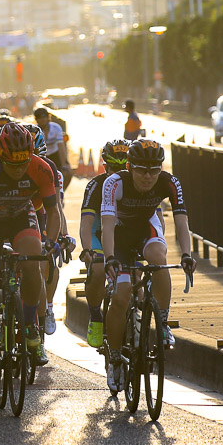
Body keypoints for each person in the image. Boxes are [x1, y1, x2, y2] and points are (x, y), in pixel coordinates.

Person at [0, 123, 60, 384]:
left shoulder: (40, 167)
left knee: (33, 261)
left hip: (20, 217)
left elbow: (53, 212)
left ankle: (30, 325)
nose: (17, 170)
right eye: (11, 164)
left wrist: (50, 241)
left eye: (22, 163)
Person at [99, 139, 195, 391]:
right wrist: (109, 257)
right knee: (121, 296)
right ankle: (116, 357)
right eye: (141, 170)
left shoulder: (169, 182)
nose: (147, 176)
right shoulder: (114, 182)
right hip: (118, 236)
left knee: (158, 258)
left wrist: (186, 254)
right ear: (129, 167)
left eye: (154, 170)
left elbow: (182, 222)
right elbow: (107, 225)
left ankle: (162, 324)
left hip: (144, 229)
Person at [79, 139, 130, 348]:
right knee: (98, 268)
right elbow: (86, 223)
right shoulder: (96, 185)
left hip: (126, 235)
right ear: (105, 166)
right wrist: (87, 250)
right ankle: (95, 316)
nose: (117, 173)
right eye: (113, 168)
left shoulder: (139, 183)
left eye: (123, 168)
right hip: (98, 234)